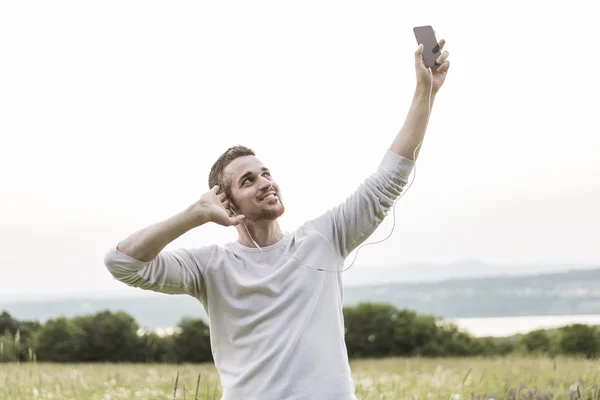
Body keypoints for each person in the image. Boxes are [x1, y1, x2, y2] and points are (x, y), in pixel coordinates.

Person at [104, 41, 450, 400]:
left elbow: (389, 178)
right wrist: (196, 214)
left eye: (265, 173)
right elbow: (122, 262)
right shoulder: (211, 267)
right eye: (248, 180)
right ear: (225, 201)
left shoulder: (324, 238)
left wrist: (425, 90)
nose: (266, 183)